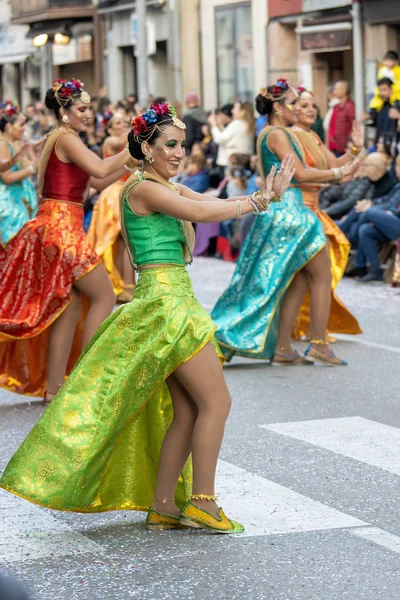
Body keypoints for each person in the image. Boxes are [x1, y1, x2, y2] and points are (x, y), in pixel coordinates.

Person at [0, 102, 292, 535]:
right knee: (217, 402)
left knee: (190, 411)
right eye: (169, 145)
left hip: (169, 302)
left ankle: (162, 506)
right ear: (146, 147)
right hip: (167, 305)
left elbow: (209, 201)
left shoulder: (161, 184)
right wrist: (260, 198)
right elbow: (199, 213)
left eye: (183, 145)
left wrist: (260, 196)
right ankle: (202, 503)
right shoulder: (142, 188)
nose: (178, 152)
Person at [0, 78, 131, 403]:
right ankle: (84, 382)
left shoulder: (62, 139)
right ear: (64, 111)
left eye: (89, 109)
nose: (89, 115)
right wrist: (135, 147)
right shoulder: (67, 138)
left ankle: (56, 388)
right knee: (103, 296)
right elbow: (100, 168)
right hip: (62, 231)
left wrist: (132, 164)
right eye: (83, 109)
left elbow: (93, 186)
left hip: (59, 226)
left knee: (70, 308)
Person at [212, 79, 354, 367]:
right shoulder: (277, 133)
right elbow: (300, 174)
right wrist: (338, 174)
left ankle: (284, 349)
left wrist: (343, 165)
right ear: (277, 107)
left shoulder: (270, 132)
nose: (298, 108)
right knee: (319, 277)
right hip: (292, 212)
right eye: (293, 102)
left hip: (281, 210)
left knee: (295, 280)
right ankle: (318, 344)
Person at [290, 88, 362, 340]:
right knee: (311, 274)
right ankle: (311, 334)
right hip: (300, 209)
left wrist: (355, 151)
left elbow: (334, 166)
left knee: (309, 274)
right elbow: (305, 174)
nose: (311, 110)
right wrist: (338, 175)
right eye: (305, 105)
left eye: (314, 106)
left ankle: (306, 330)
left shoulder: (314, 136)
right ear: (292, 109)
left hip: (315, 210)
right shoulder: (291, 137)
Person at [87, 110, 137, 303]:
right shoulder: (110, 141)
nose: (121, 126)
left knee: (125, 241)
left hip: (124, 191)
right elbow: (122, 144)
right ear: (109, 128)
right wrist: (136, 128)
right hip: (113, 194)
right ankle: (121, 286)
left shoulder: (127, 142)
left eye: (123, 122)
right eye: (117, 123)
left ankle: (126, 285)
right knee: (118, 240)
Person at [345, 154, 400, 283]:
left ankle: (347, 233)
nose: (396, 169)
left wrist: (372, 206)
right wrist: (371, 203)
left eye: (398, 166)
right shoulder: (398, 185)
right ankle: (371, 270)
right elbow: (387, 200)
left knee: (368, 211)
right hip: (392, 221)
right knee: (365, 229)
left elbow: (391, 205)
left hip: (396, 222)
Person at [0, 102, 38, 247]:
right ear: (9, 128)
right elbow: (7, 177)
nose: (24, 129)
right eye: (21, 125)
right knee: (17, 248)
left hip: (21, 198)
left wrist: (29, 149)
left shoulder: (16, 143)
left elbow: (34, 165)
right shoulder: (2, 144)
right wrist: (29, 171)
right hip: (10, 203)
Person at [338, 153, 396, 244]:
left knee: (364, 213)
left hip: (369, 223)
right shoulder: (370, 180)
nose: (363, 168)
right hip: (357, 219)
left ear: (376, 168)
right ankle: (339, 230)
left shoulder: (389, 185)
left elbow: (387, 205)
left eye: (366, 165)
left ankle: (339, 231)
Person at [209, 101, 255, 167]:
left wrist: (213, 125)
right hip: (243, 161)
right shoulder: (247, 124)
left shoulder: (237, 124)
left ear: (243, 112)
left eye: (235, 109)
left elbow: (219, 139)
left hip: (231, 162)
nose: (232, 111)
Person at [363, 78, 399, 148]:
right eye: (380, 90)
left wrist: (398, 116)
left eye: (384, 90)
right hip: (380, 144)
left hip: (393, 145)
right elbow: (377, 124)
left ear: (392, 89)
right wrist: (369, 117)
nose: (382, 93)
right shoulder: (379, 106)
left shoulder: (397, 105)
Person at [328, 81, 355, 156]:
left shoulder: (350, 106)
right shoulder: (338, 106)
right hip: (338, 146)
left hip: (346, 148)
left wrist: (351, 141)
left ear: (344, 91)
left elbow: (353, 125)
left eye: (336, 89)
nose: (334, 92)